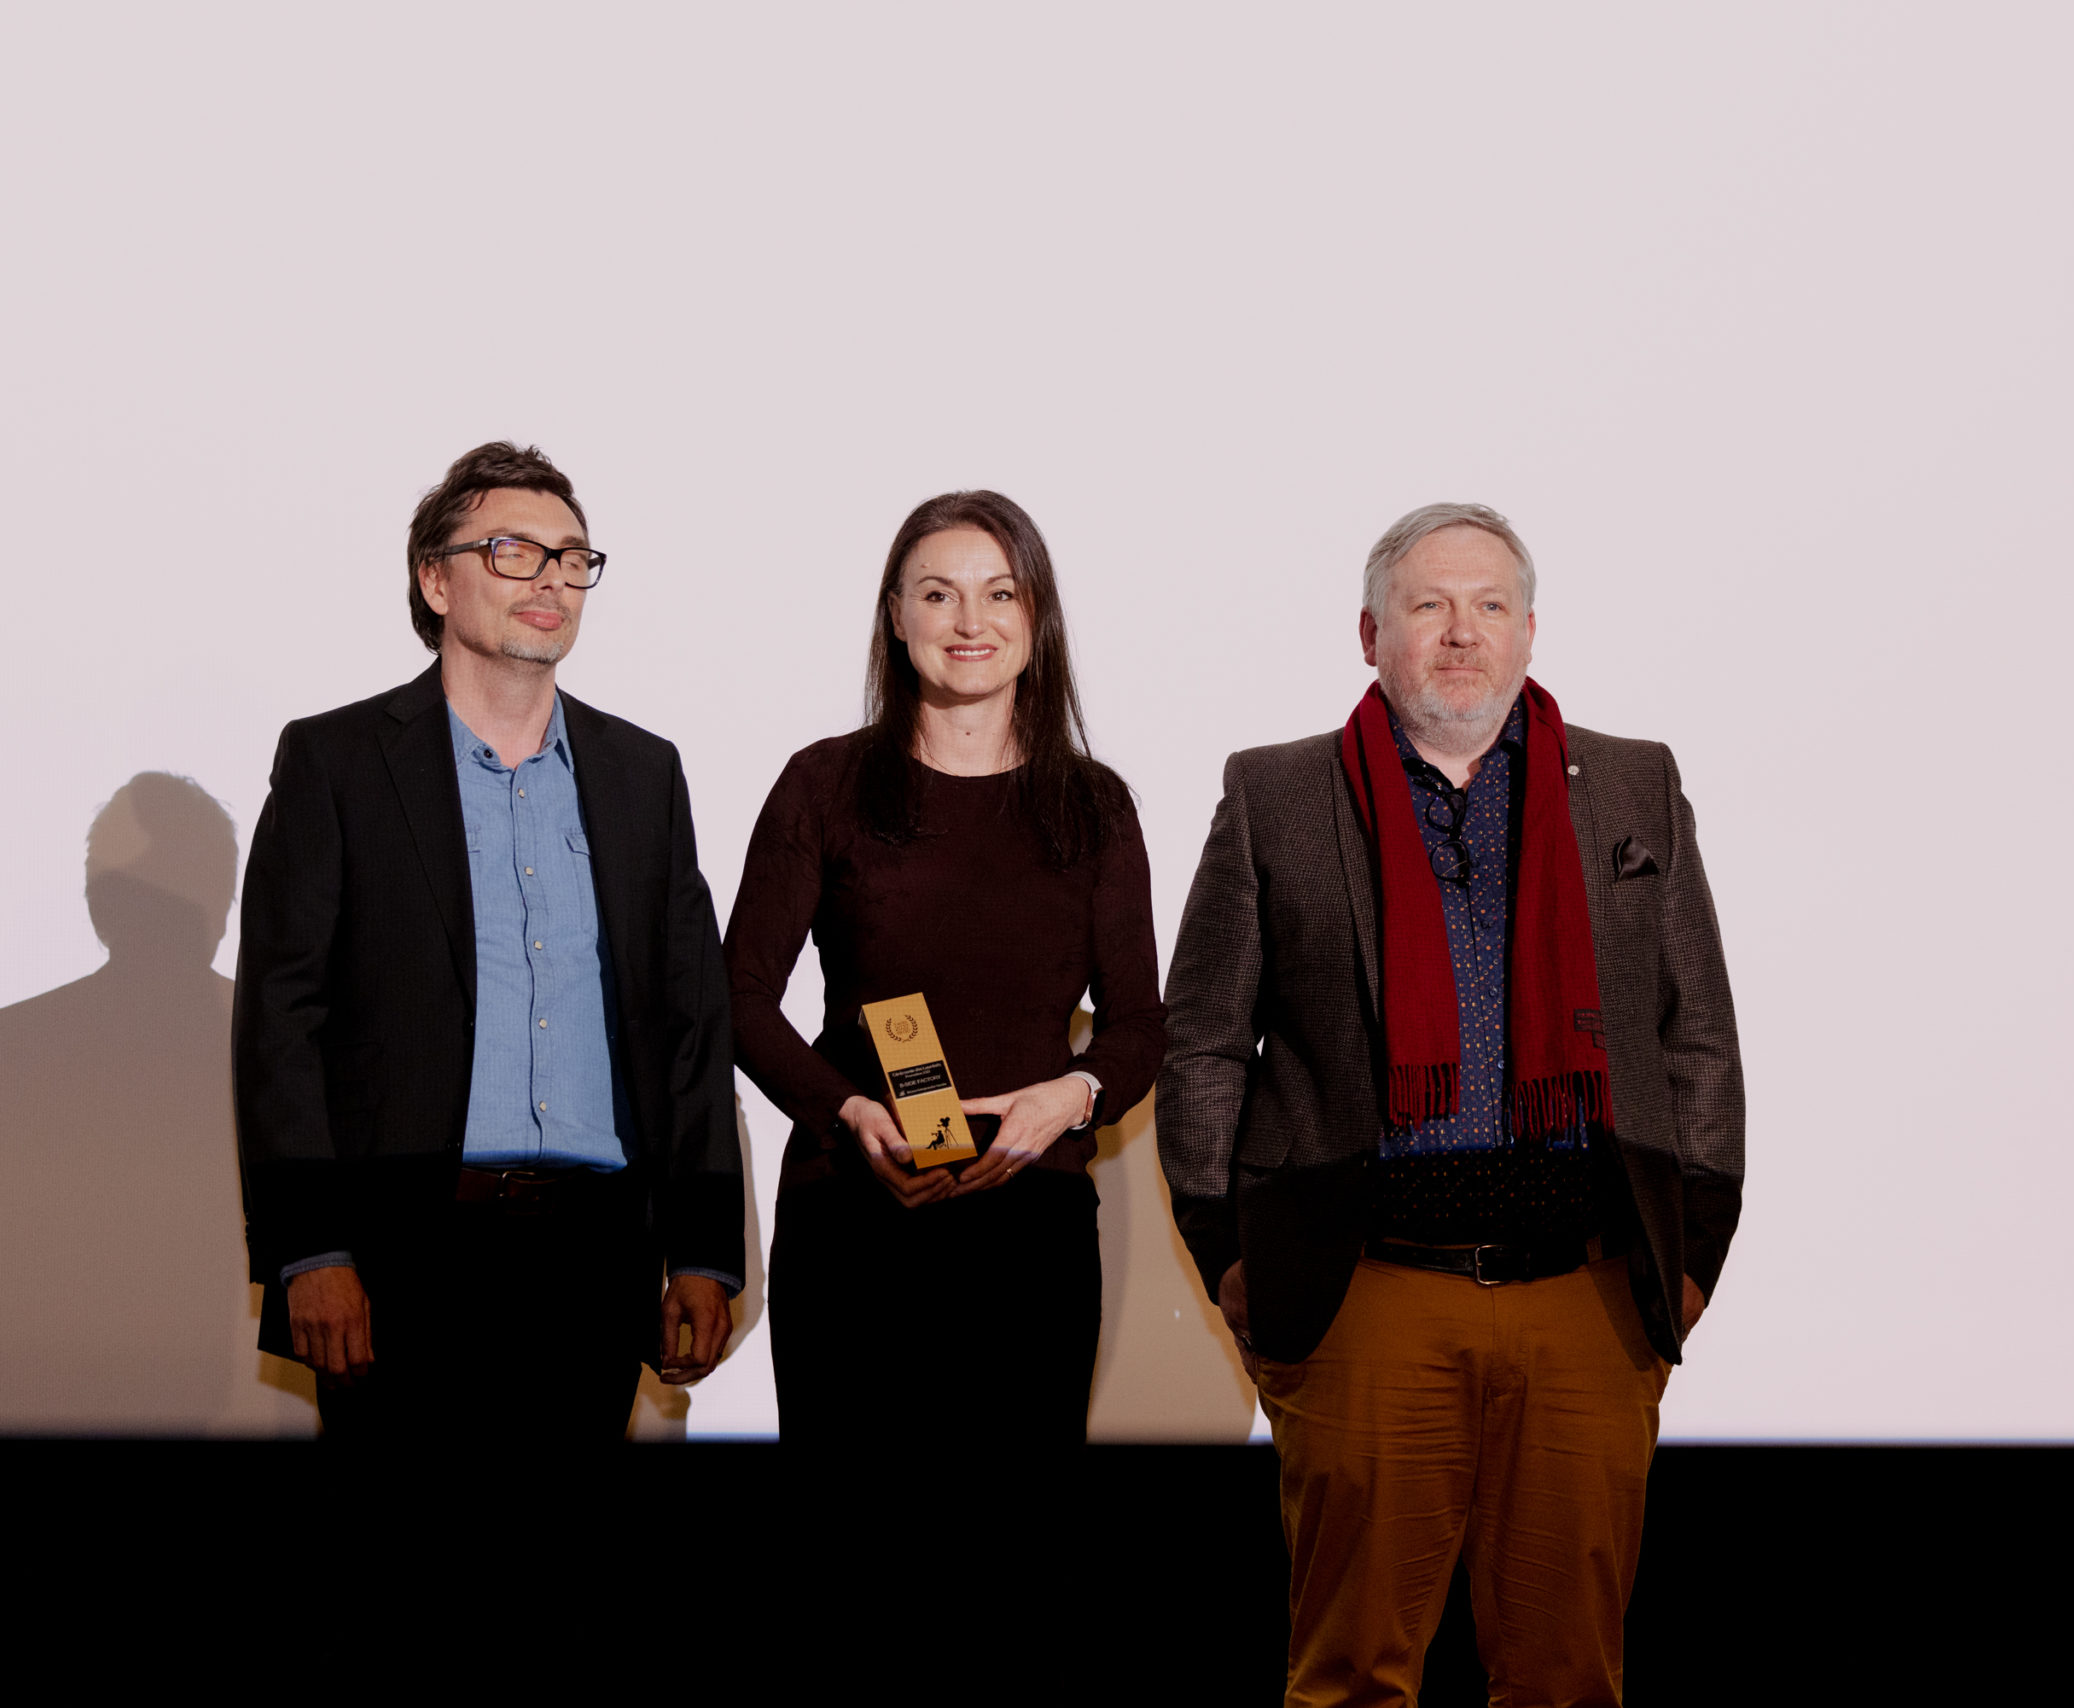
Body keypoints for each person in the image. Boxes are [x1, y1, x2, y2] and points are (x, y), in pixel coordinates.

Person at [1157, 504, 1744, 1703]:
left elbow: (1695, 1032)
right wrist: (1226, 1250)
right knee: (1351, 1677)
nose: (1460, 632)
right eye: (1427, 605)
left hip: (1588, 1295)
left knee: (1567, 1677)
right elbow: (1205, 1040)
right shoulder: (1277, 794)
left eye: (1487, 605)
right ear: (1371, 635)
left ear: (1529, 630)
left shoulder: (1632, 782)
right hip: (1366, 1290)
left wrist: (1695, 1245)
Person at [232, 441, 743, 1440]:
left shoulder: (644, 774)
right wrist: (311, 1250)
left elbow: (691, 1025)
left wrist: (703, 1252)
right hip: (403, 1258)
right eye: (514, 551)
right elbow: (282, 1023)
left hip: (597, 1260)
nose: (551, 579)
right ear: (436, 579)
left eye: (572, 558)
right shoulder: (337, 761)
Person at [726, 490, 1165, 1440]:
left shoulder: (1095, 806)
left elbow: (1139, 1025)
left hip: (1032, 1226)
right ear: (896, 615)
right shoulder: (824, 784)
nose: (971, 622)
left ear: (1036, 618)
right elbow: (739, 997)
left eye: (1000, 594)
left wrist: (1073, 1096)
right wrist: (849, 1114)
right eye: (938, 594)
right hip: (852, 1218)